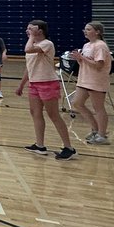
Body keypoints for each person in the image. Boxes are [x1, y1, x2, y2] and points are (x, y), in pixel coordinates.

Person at [15, 19, 75, 159]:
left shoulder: (47, 44)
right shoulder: (33, 44)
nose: (27, 31)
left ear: (39, 31)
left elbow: (27, 49)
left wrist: (31, 36)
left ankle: (69, 148)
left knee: (53, 115)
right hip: (34, 83)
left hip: (48, 83)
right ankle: (40, 145)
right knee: (35, 113)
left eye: (30, 28)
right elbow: (29, 67)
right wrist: (22, 84)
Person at [70, 21, 112, 144]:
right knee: (77, 103)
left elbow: (99, 65)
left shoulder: (100, 46)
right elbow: (85, 63)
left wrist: (82, 58)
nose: (85, 31)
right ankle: (95, 128)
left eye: (88, 29)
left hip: (96, 80)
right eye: (85, 29)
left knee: (98, 107)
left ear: (97, 32)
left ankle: (102, 135)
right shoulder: (87, 45)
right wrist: (79, 59)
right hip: (84, 79)